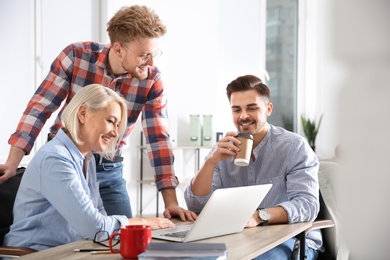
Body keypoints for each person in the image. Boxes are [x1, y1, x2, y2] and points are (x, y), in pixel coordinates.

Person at [0, 5, 196, 221]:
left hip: (109, 169)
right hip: (66, 163)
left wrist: (171, 203)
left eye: (154, 54)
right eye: (144, 55)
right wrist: (12, 162)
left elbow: (158, 139)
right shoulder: (76, 56)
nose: (151, 63)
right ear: (119, 49)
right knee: (66, 239)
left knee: (125, 239)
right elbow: (40, 107)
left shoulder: (152, 79)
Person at [3, 84, 175, 251]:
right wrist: (142, 222)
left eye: (117, 125)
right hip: (34, 254)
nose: (115, 133)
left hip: (68, 250)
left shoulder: (87, 159)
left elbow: (99, 215)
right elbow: (94, 226)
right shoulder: (55, 159)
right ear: (83, 113)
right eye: (110, 121)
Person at [184, 75, 322, 259]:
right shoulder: (222, 149)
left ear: (268, 109)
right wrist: (210, 162)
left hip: (289, 237)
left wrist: (259, 216)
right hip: (239, 237)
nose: (243, 116)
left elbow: (307, 205)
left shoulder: (294, 147)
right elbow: (196, 206)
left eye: (252, 108)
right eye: (236, 109)